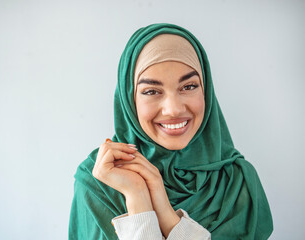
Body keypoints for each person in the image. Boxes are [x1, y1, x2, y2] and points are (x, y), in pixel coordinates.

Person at [69, 23, 273, 240]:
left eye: (189, 86)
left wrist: (164, 213)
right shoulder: (98, 182)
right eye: (151, 91)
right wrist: (137, 194)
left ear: (206, 90)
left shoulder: (237, 181)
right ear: (130, 101)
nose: (174, 109)